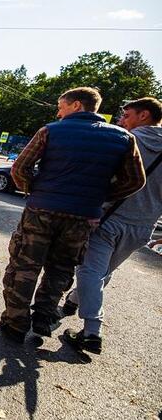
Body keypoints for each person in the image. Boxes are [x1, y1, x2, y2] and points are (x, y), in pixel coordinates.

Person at [0, 87, 146, 343]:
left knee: (24, 265)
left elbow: (20, 168)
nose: (58, 111)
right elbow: (135, 181)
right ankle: (43, 318)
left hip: (41, 211)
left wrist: (34, 189)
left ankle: (15, 322)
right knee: (61, 268)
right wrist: (102, 196)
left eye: (61, 105)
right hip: (82, 216)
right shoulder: (124, 138)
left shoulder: (51, 131)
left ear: (77, 105)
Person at [61, 97, 162, 354]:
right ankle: (73, 300)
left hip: (108, 219)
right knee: (101, 272)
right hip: (143, 227)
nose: (120, 120)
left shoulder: (125, 141)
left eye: (126, 115)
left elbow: (101, 176)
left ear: (144, 115)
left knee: (90, 272)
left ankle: (92, 332)